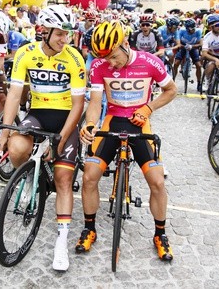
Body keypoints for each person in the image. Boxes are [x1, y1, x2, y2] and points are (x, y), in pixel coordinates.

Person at [76, 20, 177, 262]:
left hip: (141, 123)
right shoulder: (99, 66)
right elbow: (95, 102)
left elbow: (171, 90)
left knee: (157, 182)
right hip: (113, 121)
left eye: (112, 56)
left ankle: (160, 234)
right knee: (89, 176)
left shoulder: (150, 61)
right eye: (104, 58)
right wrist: (90, 124)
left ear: (124, 43)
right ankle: (89, 228)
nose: (110, 63)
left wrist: (148, 108)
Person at [0, 4, 86, 271]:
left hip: (65, 118)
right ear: (43, 31)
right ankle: (31, 179)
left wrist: (61, 138)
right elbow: (13, 95)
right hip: (38, 114)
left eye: (67, 34)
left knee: (64, 178)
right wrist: (6, 127)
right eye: (59, 34)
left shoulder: (74, 57)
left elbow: (78, 106)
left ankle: (61, 241)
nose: (64, 40)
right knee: (17, 146)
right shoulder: (25, 54)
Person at [173, 18, 203, 91]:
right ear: (186, 29)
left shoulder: (198, 31)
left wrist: (192, 46)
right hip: (183, 47)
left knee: (198, 65)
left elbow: (200, 43)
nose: (193, 30)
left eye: (194, 28)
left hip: (193, 47)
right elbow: (177, 41)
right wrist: (182, 46)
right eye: (191, 29)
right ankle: (172, 81)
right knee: (176, 63)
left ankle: (199, 83)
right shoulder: (182, 31)